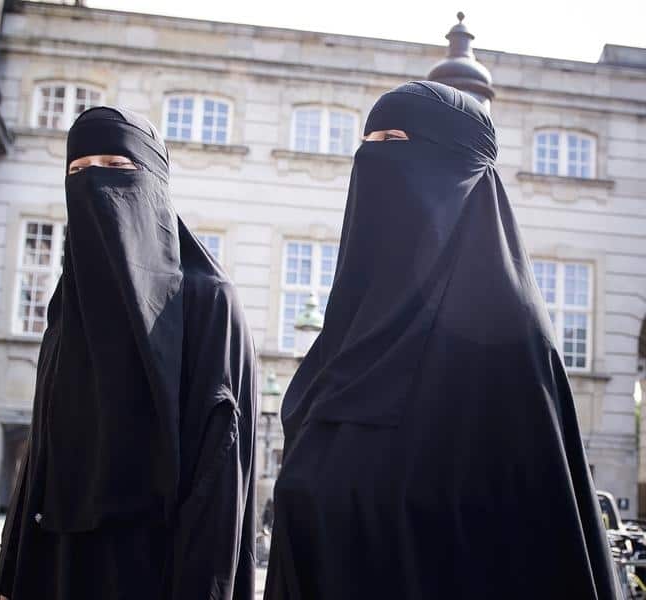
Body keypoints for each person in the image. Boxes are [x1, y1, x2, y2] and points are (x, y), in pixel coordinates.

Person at [264, 81, 618, 599]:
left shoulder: (507, 341)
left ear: (456, 169)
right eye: (371, 144)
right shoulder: (345, 342)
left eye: (397, 141)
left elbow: (535, 544)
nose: (377, 162)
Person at [0, 106, 257, 600]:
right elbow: (41, 449)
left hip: (154, 569)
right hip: (57, 562)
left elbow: (220, 473)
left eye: (116, 167)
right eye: (79, 171)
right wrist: (8, 575)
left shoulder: (207, 300)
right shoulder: (70, 306)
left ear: (154, 183)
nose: (94, 185)